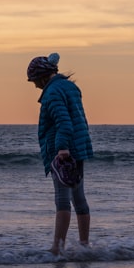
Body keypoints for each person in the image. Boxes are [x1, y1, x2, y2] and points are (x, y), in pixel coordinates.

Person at [27, 52, 94, 255]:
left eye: (34, 81)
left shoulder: (52, 93)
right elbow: (77, 119)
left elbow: (63, 122)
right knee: (79, 199)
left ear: (42, 77)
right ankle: (84, 246)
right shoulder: (70, 87)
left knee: (62, 200)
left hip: (63, 151)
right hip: (79, 147)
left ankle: (57, 247)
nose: (35, 86)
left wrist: (62, 148)